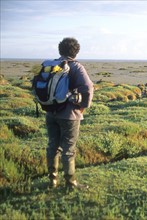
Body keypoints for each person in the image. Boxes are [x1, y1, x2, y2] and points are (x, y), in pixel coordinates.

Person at [46, 37, 93, 190]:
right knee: (68, 149)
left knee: (53, 146)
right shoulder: (76, 67)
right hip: (69, 115)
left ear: (60, 50)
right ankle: (70, 183)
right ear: (76, 51)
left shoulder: (53, 65)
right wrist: (83, 107)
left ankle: (52, 181)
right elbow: (87, 87)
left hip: (50, 112)